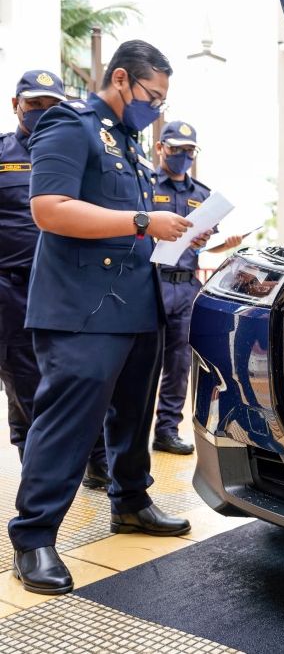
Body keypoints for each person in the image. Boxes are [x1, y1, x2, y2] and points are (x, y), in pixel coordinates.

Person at [9, 41, 194, 596]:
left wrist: (176, 229)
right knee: (66, 424)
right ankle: (34, 537)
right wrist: (144, 220)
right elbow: (50, 209)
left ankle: (131, 503)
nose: (156, 109)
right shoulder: (72, 123)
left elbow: (125, 223)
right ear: (120, 79)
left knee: (133, 418)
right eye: (151, 96)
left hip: (136, 304)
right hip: (81, 308)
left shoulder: (132, 145)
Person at [0, 70, 111, 488]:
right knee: (26, 387)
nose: (44, 113)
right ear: (16, 106)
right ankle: (38, 481)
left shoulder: (84, 151)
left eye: (53, 106)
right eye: (35, 105)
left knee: (85, 378)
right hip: (12, 290)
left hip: (69, 288)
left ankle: (99, 464)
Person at [151, 120, 241, 454]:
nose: (183, 156)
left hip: (184, 286)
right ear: (161, 148)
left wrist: (225, 244)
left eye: (189, 151)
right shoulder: (145, 186)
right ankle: (119, 434)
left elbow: (200, 247)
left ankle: (166, 430)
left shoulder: (202, 196)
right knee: (141, 361)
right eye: (176, 149)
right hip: (151, 284)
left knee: (178, 364)